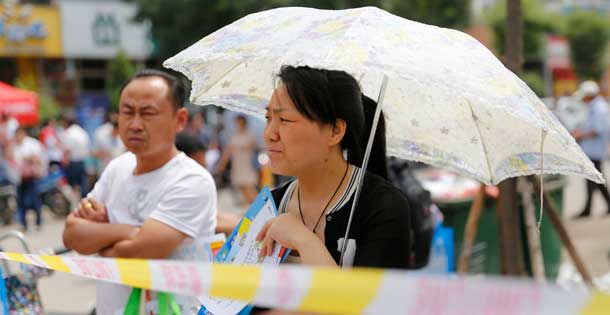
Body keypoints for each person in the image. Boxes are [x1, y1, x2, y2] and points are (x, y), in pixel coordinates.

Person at [62, 69, 218, 314]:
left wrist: (101, 238)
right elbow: (72, 235)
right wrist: (129, 231)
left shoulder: (192, 180)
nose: (135, 124)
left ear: (180, 119)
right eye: (127, 112)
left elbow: (139, 253)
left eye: (147, 113)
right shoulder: (118, 167)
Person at [256, 65, 411, 269]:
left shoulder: (383, 208)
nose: (269, 134)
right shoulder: (270, 205)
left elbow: (366, 302)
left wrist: (302, 239)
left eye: (284, 119)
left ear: (335, 131)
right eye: (268, 118)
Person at [571, 80, 610, 218]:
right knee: (595, 179)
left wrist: (580, 134)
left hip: (596, 150)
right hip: (592, 150)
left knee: (595, 178)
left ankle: (588, 210)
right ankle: (590, 208)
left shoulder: (599, 109)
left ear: (589, 95)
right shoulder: (594, 107)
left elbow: (598, 130)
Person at [216, 115, 260, 206]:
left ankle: (261, 207)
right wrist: (222, 164)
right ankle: (249, 209)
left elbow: (256, 147)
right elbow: (228, 151)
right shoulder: (234, 135)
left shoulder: (250, 135)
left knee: (249, 187)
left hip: (247, 165)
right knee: (241, 188)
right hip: (237, 165)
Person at [11, 127, 46, 231]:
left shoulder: (32, 144)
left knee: (35, 201)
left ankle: (38, 222)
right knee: (21, 202)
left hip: (32, 177)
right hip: (19, 178)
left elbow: (38, 158)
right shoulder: (14, 146)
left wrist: (28, 159)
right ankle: (24, 224)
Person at [59, 115, 91, 197]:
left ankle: (72, 202)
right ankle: (85, 201)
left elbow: (68, 149)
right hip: (82, 161)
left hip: (73, 162)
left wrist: (64, 161)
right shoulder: (83, 132)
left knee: (70, 185)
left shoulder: (69, 133)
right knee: (83, 185)